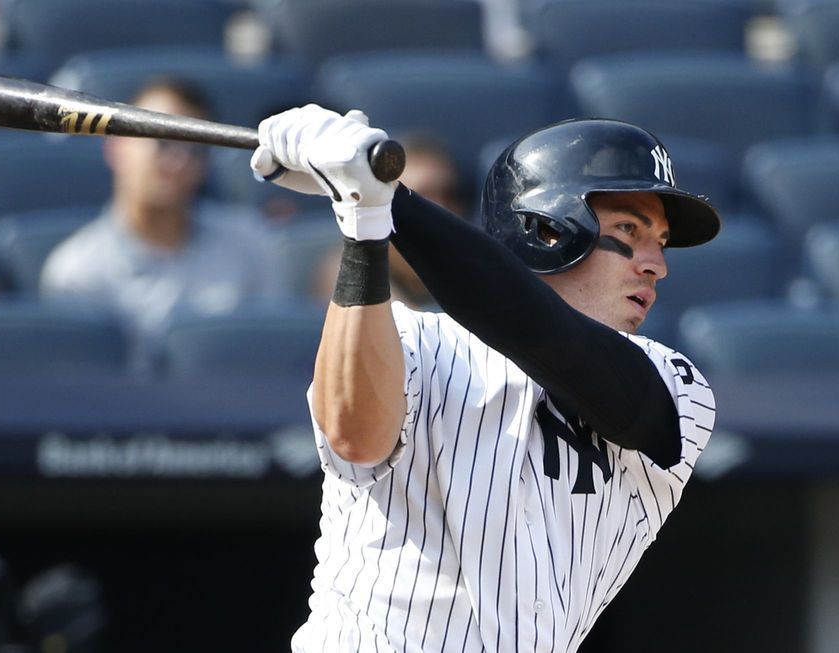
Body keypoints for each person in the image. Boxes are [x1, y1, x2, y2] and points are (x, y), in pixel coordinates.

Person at [250, 105, 720, 652]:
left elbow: (535, 327)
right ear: (547, 229)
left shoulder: (675, 384)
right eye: (629, 230)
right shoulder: (410, 338)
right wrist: (363, 216)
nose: (655, 264)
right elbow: (355, 435)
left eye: (660, 241)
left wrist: (386, 199)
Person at [40, 78, 277, 360]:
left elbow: (267, 359)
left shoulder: (249, 243)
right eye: (163, 142)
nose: (179, 161)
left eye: (196, 148)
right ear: (117, 148)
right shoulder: (76, 273)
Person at [311, 133, 469, 308]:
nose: (441, 208)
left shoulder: (474, 265)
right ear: (381, 206)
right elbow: (398, 329)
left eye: (451, 195)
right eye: (420, 199)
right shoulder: (350, 268)